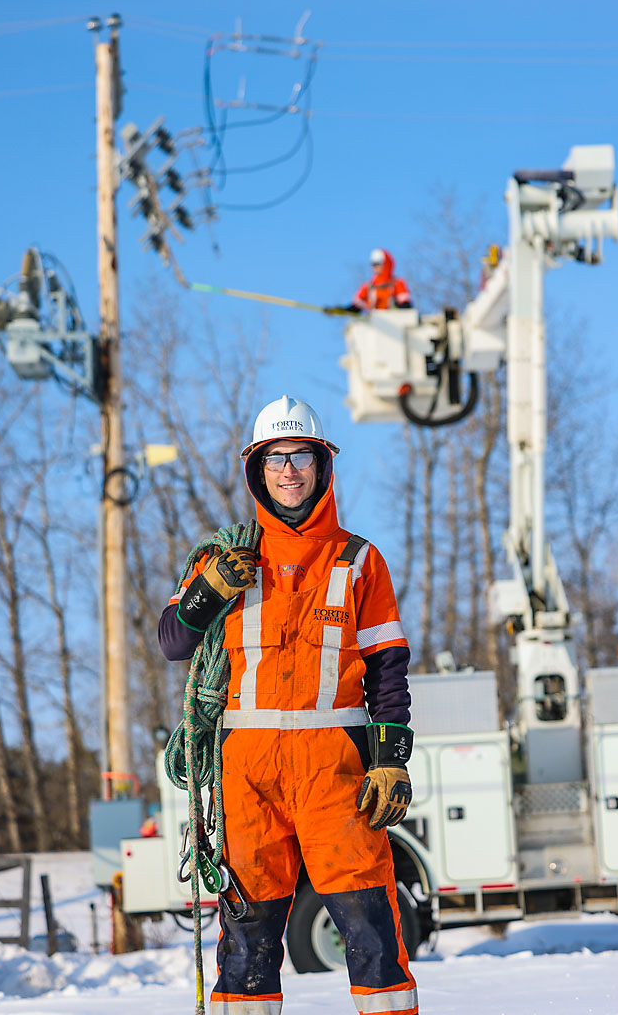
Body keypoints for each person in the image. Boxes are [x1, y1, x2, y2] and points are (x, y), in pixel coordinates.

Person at [158, 394, 418, 1015]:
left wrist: (391, 757)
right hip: (248, 775)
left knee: (371, 929)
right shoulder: (222, 561)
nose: (289, 470)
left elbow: (388, 668)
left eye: (300, 455)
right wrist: (209, 592)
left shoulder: (359, 561)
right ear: (256, 470)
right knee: (247, 939)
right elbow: (172, 642)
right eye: (275, 458)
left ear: (322, 466)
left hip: (338, 773)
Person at [325, 248, 413, 315]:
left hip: (394, 324)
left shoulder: (397, 284)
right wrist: (339, 311)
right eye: (373, 264)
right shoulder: (368, 287)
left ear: (385, 264)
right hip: (375, 325)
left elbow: (406, 305)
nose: (374, 267)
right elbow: (356, 307)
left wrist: (397, 308)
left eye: (377, 264)